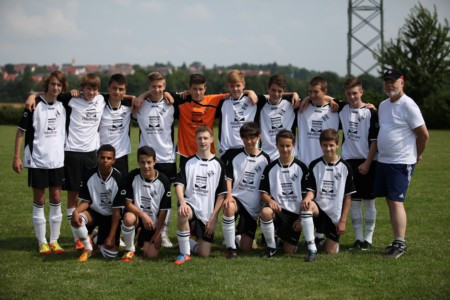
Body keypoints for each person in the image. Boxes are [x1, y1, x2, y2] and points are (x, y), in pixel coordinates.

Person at [375, 69, 429, 259]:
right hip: (384, 160)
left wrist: (417, 154)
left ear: (402, 82)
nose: (390, 85)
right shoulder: (383, 105)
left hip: (401, 162)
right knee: (391, 200)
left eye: (394, 81)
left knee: (397, 201)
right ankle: (397, 239)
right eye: (387, 81)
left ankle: (401, 243)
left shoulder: (408, 105)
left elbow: (423, 135)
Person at [12, 71, 68, 254]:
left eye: (59, 85)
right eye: (53, 84)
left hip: (58, 161)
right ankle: (42, 241)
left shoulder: (64, 103)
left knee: (57, 199)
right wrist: (16, 157)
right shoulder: (33, 106)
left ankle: (54, 241)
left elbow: (92, 93)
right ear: (47, 85)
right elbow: (20, 131)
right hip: (37, 160)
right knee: (39, 200)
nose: (56, 88)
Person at [134, 71, 177, 248]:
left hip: (167, 157)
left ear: (165, 86)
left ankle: (164, 233)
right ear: (148, 87)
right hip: (147, 159)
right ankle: (140, 229)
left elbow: (190, 95)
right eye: (153, 87)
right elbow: (127, 99)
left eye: (160, 86)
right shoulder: (139, 105)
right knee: (144, 196)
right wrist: (143, 96)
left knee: (164, 199)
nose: (157, 90)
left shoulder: (172, 103)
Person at [300, 129, 356, 262]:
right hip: (318, 210)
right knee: (307, 205)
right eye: (325, 145)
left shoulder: (345, 167)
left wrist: (342, 221)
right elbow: (311, 190)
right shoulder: (315, 165)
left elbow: (348, 197)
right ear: (321, 145)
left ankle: (322, 238)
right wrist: (308, 198)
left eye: (331, 145)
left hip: (334, 216)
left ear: (337, 145)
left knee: (331, 251)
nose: (328, 148)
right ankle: (312, 248)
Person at [174, 126, 227, 265]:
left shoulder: (219, 164)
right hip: (190, 205)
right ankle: (184, 253)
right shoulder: (188, 162)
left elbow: (221, 195)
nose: (202, 141)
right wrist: (182, 202)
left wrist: (213, 218)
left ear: (211, 139)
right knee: (183, 213)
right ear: (195, 140)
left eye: (205, 138)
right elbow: (179, 184)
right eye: (199, 138)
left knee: (204, 253)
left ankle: (186, 243)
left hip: (207, 213)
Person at [339, 77, 379, 251]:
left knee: (369, 201)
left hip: (368, 161)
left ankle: (368, 240)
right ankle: (358, 239)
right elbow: (322, 97)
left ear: (361, 92)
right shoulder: (341, 109)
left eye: (355, 93)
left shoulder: (371, 112)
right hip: (349, 162)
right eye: (348, 93)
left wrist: (368, 162)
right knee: (354, 201)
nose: (352, 96)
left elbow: (374, 141)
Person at [221, 122, 270, 258]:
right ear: (241, 138)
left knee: (246, 248)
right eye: (246, 138)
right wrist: (229, 196)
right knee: (229, 207)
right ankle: (230, 249)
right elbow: (228, 178)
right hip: (236, 198)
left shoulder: (265, 159)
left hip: (252, 206)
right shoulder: (234, 156)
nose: (249, 141)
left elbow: (265, 185)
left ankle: (237, 237)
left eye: (252, 137)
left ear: (259, 137)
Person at [259, 129, 309, 258]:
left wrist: (300, 219)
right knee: (265, 212)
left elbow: (306, 197)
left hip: (294, 215)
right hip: (278, 211)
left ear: (293, 146)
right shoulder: (271, 168)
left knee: (289, 251)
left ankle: (281, 237)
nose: (285, 149)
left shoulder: (301, 167)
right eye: (281, 145)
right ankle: (271, 247)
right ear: (276, 145)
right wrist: (270, 201)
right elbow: (263, 193)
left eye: (288, 146)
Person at [70, 144, 123, 262]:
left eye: (109, 158)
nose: (105, 161)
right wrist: (76, 211)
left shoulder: (118, 178)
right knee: (76, 219)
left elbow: (116, 211)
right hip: (94, 213)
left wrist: (111, 236)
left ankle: (96, 239)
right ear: (97, 158)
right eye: (102, 157)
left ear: (114, 160)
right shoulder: (89, 175)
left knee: (110, 255)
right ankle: (88, 249)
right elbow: (86, 201)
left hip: (110, 216)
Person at [119, 146, 171, 261]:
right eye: (142, 162)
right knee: (128, 217)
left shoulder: (163, 181)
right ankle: (129, 250)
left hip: (153, 223)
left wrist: (158, 234)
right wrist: (143, 215)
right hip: (138, 217)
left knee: (151, 255)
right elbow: (128, 204)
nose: (146, 166)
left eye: (149, 162)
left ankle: (140, 239)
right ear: (138, 162)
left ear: (155, 162)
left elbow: (163, 211)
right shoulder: (132, 176)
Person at [256, 74, 299, 161]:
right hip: (265, 157)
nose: (276, 94)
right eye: (273, 90)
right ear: (268, 88)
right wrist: (248, 91)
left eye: (279, 91)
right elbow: (240, 94)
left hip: (287, 156)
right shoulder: (259, 104)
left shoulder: (292, 103)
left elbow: (315, 99)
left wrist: (331, 101)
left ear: (283, 91)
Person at [216, 70, 258, 157]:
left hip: (249, 149)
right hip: (227, 151)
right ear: (228, 87)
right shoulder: (222, 102)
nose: (235, 89)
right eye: (232, 86)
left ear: (243, 85)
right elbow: (202, 99)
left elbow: (275, 96)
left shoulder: (253, 100)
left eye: (238, 85)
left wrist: (294, 94)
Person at [98, 74, 133, 177]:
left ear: (125, 90)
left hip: (121, 156)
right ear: (109, 88)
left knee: (121, 190)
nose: (117, 92)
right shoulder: (99, 104)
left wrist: (133, 97)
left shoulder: (129, 106)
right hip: (102, 156)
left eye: (120, 89)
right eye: (114, 88)